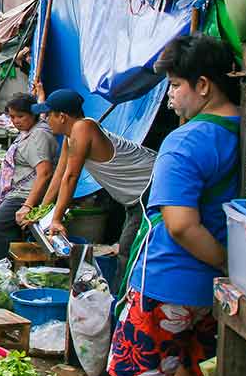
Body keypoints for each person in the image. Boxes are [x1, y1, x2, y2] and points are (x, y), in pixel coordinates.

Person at [107, 34, 241, 376]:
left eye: (177, 86)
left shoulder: (186, 140)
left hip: (169, 280)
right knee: (195, 367)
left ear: (204, 85)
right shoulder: (242, 130)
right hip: (212, 288)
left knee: (150, 375)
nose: (171, 97)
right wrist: (230, 268)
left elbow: (181, 224)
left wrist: (226, 261)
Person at [35, 85, 156, 283]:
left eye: (48, 115)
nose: (46, 120)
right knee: (129, 247)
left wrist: (56, 219)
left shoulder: (83, 128)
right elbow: (59, 175)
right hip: (136, 196)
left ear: (62, 116)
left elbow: (71, 177)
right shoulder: (69, 137)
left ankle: (122, 305)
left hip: (151, 187)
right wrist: (41, 212)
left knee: (128, 250)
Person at [0, 93, 58, 262]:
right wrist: (39, 90)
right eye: (12, 117)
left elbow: (45, 173)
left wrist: (28, 206)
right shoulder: (32, 128)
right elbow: (41, 104)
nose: (16, 121)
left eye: (20, 116)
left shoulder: (38, 136)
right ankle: (4, 258)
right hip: (14, 191)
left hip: (25, 194)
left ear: (33, 114)